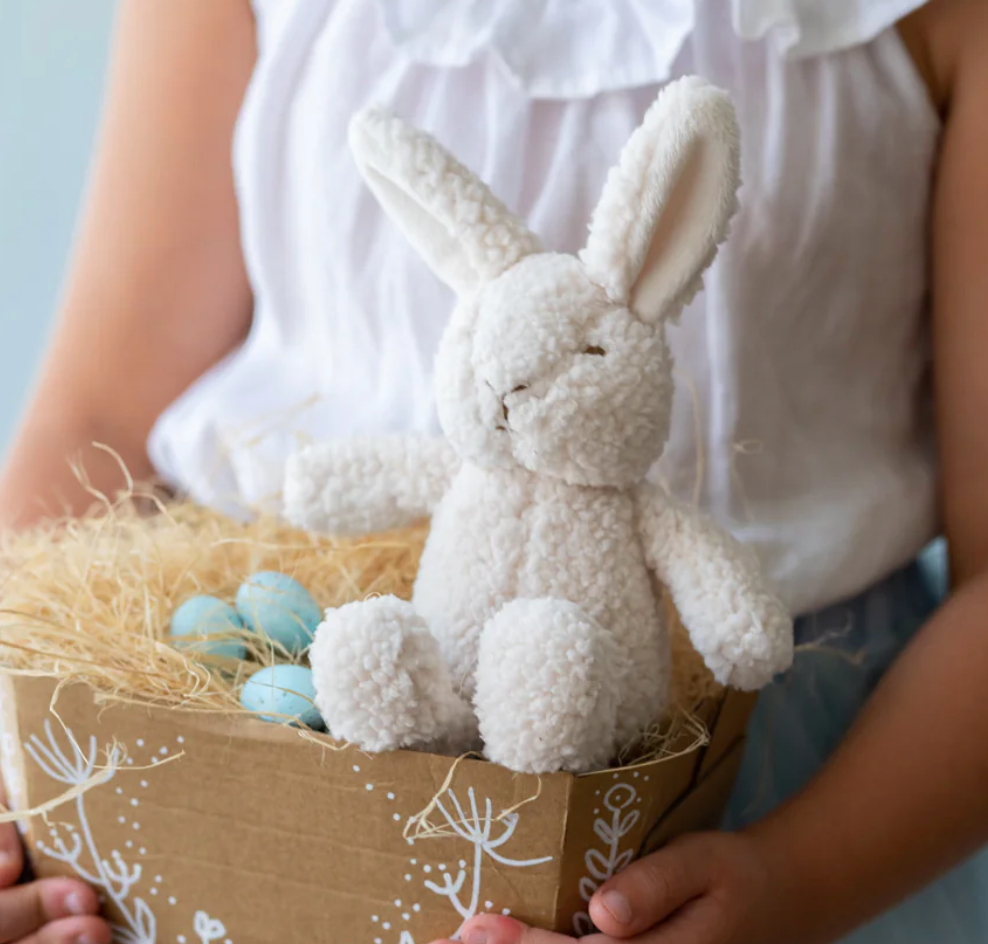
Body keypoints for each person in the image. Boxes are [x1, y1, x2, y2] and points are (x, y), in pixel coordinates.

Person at [1, 0, 987, 942]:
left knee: (545, 662)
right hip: (242, 754)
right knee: (371, 654)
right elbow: (102, 417)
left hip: (787, 801)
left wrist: (792, 885)